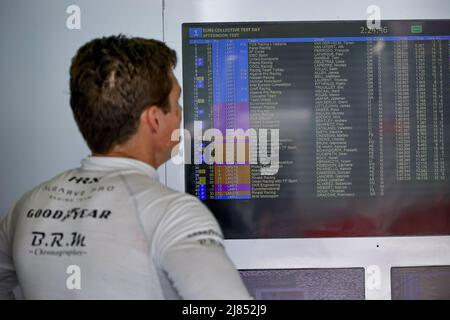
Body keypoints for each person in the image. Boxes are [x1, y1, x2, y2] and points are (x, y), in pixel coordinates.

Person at [0, 35, 252, 300]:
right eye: (176, 101)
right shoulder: (174, 215)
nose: (180, 113)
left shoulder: (27, 207)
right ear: (154, 119)